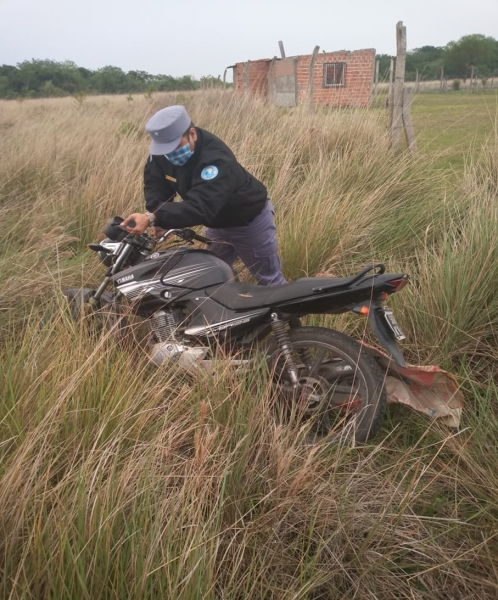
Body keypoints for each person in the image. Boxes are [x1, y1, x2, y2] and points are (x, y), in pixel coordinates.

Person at [121, 105, 286, 286]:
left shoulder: (216, 159)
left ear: (192, 134)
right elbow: (155, 184)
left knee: (269, 280)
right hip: (216, 225)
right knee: (212, 277)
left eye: (176, 147)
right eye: (165, 150)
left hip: (249, 222)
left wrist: (153, 217)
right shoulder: (162, 153)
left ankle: (289, 313)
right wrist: (158, 216)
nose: (170, 154)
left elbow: (202, 207)